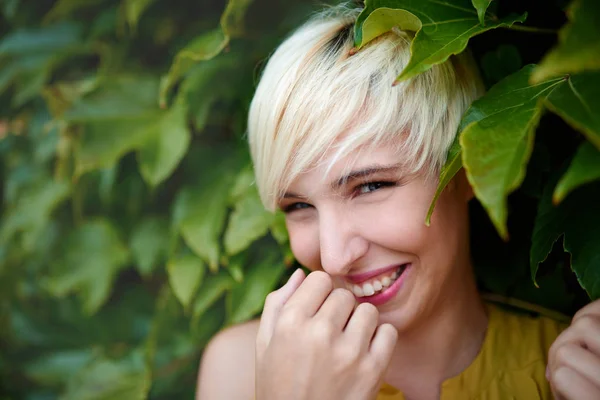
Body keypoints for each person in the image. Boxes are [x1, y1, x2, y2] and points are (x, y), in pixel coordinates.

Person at [197, 4, 600, 399]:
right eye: (298, 206)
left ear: (464, 170)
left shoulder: (575, 374)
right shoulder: (241, 371)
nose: (334, 257)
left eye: (370, 186)